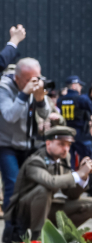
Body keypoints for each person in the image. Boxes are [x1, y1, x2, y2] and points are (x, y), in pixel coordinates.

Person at [6, 126, 92, 240]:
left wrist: (83, 177)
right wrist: (78, 173)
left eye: (68, 145)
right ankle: (38, 236)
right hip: (26, 212)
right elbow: (51, 182)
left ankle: (63, 235)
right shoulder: (35, 160)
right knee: (43, 189)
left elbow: (71, 194)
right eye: (61, 144)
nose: (66, 149)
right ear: (48, 144)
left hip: (49, 206)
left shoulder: (64, 158)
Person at [0, 57, 57, 212]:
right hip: (6, 146)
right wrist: (24, 94)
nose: (34, 83)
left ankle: (25, 227)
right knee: (13, 186)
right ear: (16, 78)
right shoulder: (4, 87)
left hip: (28, 145)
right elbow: (10, 116)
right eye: (28, 80)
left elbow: (45, 114)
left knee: (31, 186)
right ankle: (11, 232)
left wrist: (40, 99)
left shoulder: (36, 84)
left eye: (37, 78)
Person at [57, 76, 92, 164]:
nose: (81, 87)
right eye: (79, 85)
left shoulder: (60, 99)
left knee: (68, 161)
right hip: (81, 133)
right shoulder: (82, 99)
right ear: (74, 86)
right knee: (86, 160)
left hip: (65, 133)